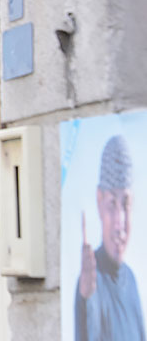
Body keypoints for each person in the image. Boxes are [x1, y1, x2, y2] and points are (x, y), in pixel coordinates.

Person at [75, 135, 146, 340]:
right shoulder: (90, 281)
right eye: (112, 204)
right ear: (99, 202)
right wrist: (86, 299)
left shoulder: (131, 280)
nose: (119, 223)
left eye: (126, 204)